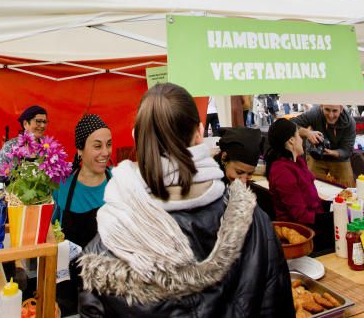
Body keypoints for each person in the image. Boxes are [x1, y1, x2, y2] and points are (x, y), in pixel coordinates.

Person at [78, 83, 294, 317]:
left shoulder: (103, 249)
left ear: (136, 138)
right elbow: (277, 305)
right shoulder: (254, 220)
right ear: (200, 133)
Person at [54, 114, 112, 317]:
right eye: (97, 146)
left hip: (112, 288)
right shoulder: (63, 186)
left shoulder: (119, 183)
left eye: (108, 144)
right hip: (73, 291)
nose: (105, 152)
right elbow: (51, 235)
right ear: (80, 149)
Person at [266, 119, 333, 254]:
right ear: (291, 141)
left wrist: (334, 205)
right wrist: (331, 217)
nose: (302, 140)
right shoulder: (282, 171)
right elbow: (300, 216)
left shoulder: (298, 162)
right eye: (299, 136)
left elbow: (312, 199)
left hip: (315, 224)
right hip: (303, 235)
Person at [291, 104, 356, 187]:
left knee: (347, 187)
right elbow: (290, 124)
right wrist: (307, 133)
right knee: (312, 186)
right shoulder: (315, 113)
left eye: (335, 111)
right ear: (321, 107)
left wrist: (332, 152)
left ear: (341, 109)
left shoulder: (350, 122)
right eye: (327, 110)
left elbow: (347, 150)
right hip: (316, 155)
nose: (331, 115)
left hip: (339, 157)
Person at [0, 105, 48, 186]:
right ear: (25, 124)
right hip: (13, 197)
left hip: (44, 198)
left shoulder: (48, 147)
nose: (42, 125)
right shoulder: (11, 146)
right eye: (38, 121)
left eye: (45, 122)